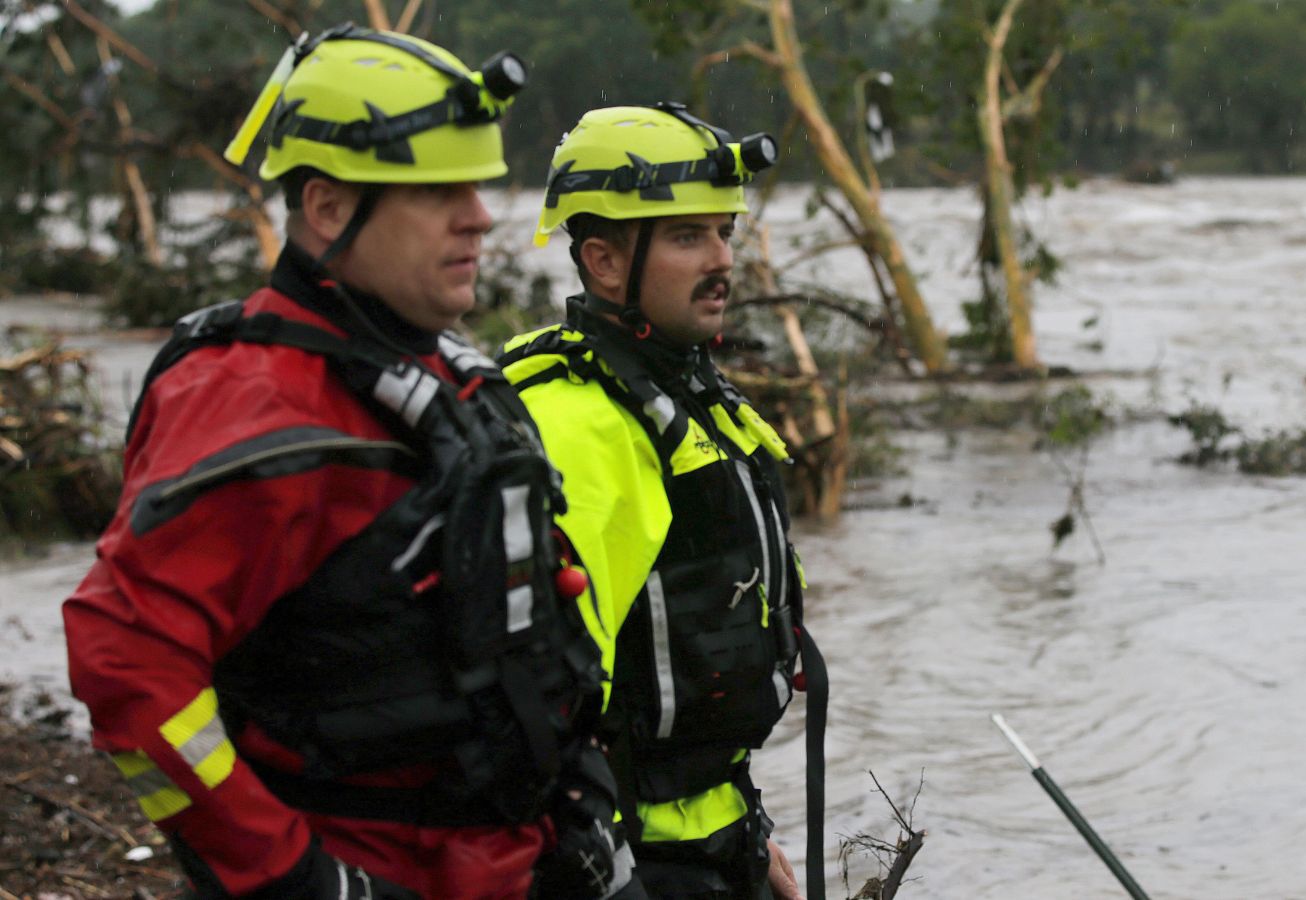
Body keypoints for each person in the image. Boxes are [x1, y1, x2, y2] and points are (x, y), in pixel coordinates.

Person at [61, 25, 638, 900]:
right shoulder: (254, 403)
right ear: (328, 209)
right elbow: (126, 667)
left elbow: (535, 631)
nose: (480, 215)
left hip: (521, 860)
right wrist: (289, 875)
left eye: (476, 184)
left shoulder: (451, 375)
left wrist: (585, 800)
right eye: (438, 191)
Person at [498, 103, 827, 900]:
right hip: (627, 861)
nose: (722, 259)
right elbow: (542, 713)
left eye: (724, 232)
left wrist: (747, 835)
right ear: (605, 262)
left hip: (718, 837)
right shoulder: (576, 429)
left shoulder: (680, 394)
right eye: (688, 237)